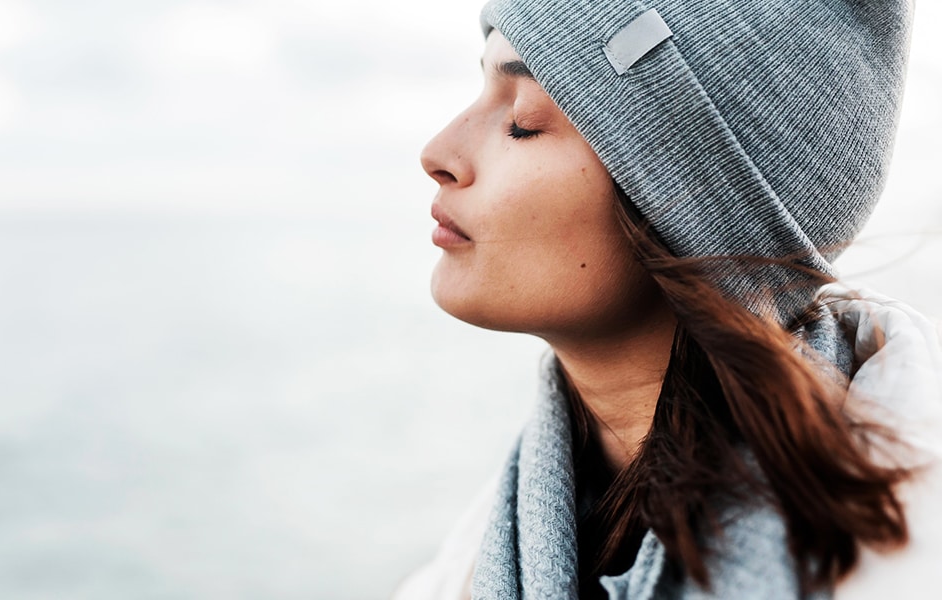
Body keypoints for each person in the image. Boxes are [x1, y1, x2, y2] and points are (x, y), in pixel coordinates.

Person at [396, 0, 942, 598]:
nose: (437, 152)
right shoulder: (482, 557)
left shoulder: (899, 565)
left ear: (690, 200)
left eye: (524, 121)